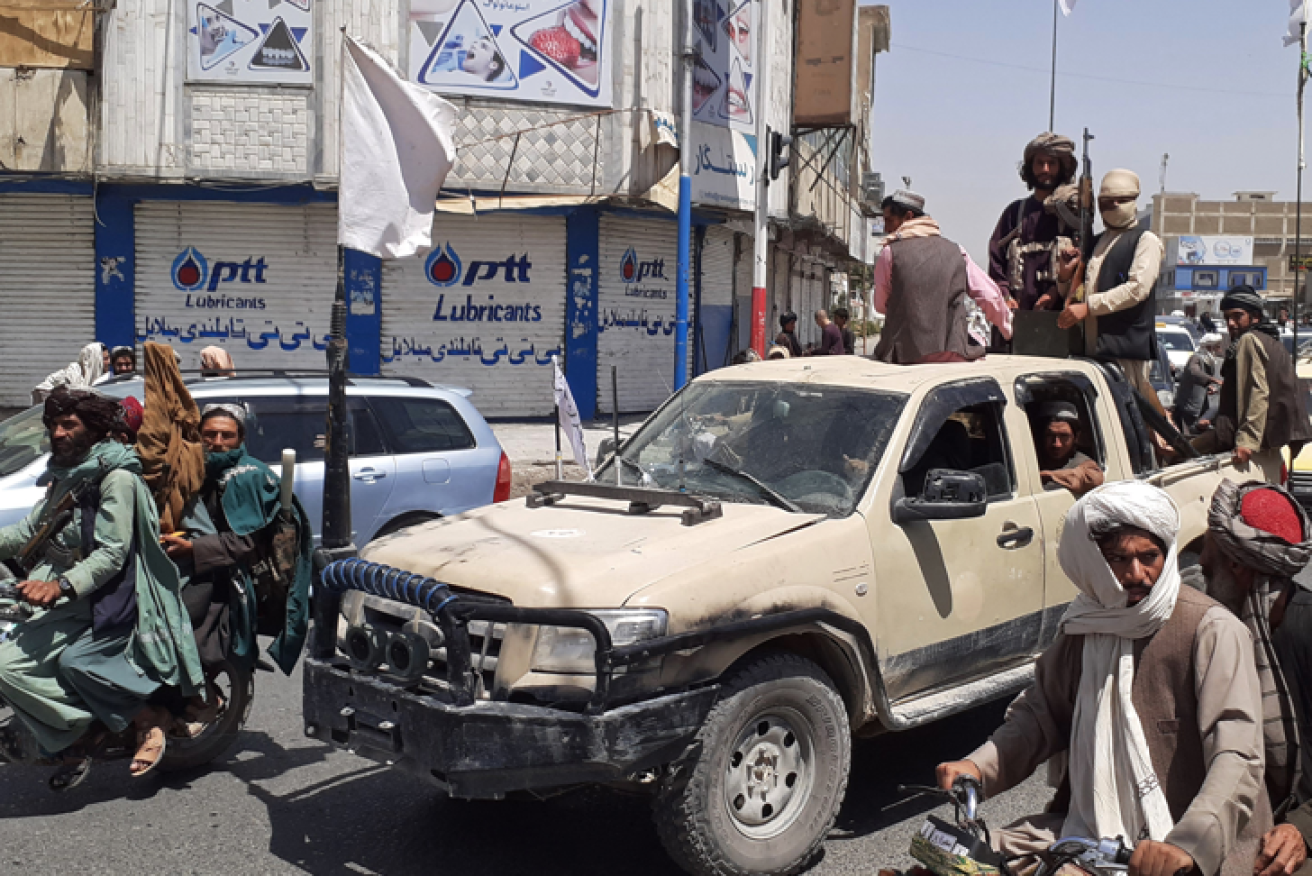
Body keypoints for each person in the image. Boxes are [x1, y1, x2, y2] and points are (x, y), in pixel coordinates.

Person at [936, 482, 1268, 876]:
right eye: (1118, 559)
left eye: (1150, 557)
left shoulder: (1211, 630)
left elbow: (1238, 755)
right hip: (1092, 830)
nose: (1137, 574)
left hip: (1182, 845)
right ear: (1093, 562)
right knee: (958, 859)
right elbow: (1039, 716)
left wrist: (1190, 844)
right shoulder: (1084, 627)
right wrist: (976, 767)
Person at [0, 388, 203, 786]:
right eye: (52, 425)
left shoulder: (118, 479)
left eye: (68, 425)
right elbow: (31, 530)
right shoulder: (71, 475)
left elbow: (112, 553)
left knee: (6, 666)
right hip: (53, 587)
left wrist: (60, 587)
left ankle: (84, 731)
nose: (57, 433)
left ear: (94, 430)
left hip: (99, 596)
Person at [1198, 481, 1312, 876]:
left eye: (1210, 549)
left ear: (1238, 567)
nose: (1201, 562)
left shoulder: (1306, 630)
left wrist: (1303, 830)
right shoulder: (1214, 633)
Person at [163, 404, 312, 686]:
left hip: (232, 575)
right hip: (201, 563)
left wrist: (193, 549)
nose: (217, 443)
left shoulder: (248, 477)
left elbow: (244, 541)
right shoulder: (198, 470)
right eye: (209, 435)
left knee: (182, 629)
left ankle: (197, 698)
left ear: (241, 439)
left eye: (226, 436)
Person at [1055, 170, 1165, 407]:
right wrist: (1065, 275)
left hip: (1124, 353)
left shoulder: (1146, 241)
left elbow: (1138, 289)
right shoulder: (1096, 243)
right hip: (1092, 352)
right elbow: (1075, 295)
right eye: (1106, 202)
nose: (1113, 206)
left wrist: (1089, 307)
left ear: (1133, 200)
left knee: (1127, 421)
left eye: (1121, 200)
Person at [874, 190, 1008, 364]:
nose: (886, 229)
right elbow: (989, 296)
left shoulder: (889, 253)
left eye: (889, 220)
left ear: (908, 217)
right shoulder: (956, 251)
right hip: (954, 355)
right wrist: (1008, 331)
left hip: (901, 357)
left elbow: (880, 306)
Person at [1192, 286, 1312, 465]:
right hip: (1267, 448)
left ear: (1254, 317)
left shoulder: (1249, 340)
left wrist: (1247, 442)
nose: (1231, 323)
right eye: (1227, 318)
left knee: (1177, 453)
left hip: (1239, 444)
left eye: (1237, 316)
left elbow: (1257, 392)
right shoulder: (1272, 342)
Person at [988, 133, 1079, 313]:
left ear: (1061, 168)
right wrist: (1005, 296)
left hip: (1059, 317)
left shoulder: (1072, 215)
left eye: (1052, 163)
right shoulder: (1015, 213)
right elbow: (996, 258)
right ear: (1030, 167)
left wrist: (1056, 292)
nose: (1045, 169)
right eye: (1040, 163)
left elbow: (1084, 260)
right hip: (1017, 316)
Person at [1029, 401, 1104, 495]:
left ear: (1076, 437)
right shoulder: (1031, 461)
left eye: (1064, 436)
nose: (1057, 444)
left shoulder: (1082, 462)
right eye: (1050, 435)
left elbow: (1094, 478)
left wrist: (1048, 475)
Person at [1174, 332, 1226, 435]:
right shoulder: (1196, 358)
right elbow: (1194, 372)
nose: (1219, 350)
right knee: (1186, 432)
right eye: (1217, 347)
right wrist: (1214, 380)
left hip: (1200, 402)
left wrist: (1209, 386)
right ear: (1209, 347)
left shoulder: (1208, 360)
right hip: (1189, 403)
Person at [31, 342, 105, 404]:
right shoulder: (73, 372)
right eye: (105, 359)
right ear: (93, 359)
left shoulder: (99, 378)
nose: (108, 362)